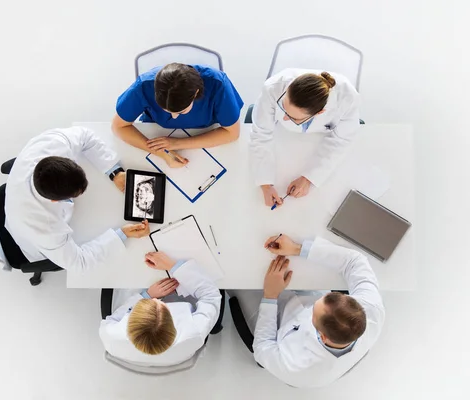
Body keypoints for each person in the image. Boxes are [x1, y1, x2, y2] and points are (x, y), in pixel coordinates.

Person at [231, 234, 384, 388]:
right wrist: (298, 248)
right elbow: (355, 261)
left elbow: (262, 348)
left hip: (276, 325)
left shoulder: (298, 368)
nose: (316, 303)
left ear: (322, 336)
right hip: (303, 298)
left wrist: (270, 296)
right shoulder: (370, 308)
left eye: (313, 312)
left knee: (235, 275)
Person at [4, 127, 150, 272]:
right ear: (55, 201)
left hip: (15, 191)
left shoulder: (53, 144)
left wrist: (114, 172)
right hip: (26, 236)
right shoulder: (46, 228)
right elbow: (79, 263)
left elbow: (85, 136)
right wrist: (122, 235)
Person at [249, 69, 361, 208]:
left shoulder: (347, 98)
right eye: (283, 107)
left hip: (316, 141)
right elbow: (260, 135)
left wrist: (309, 178)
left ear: (320, 112)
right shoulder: (273, 88)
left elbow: (342, 140)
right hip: (283, 138)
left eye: (293, 118)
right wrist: (265, 184)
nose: (284, 117)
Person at [99, 252, 222, 368]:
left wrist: (146, 295)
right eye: (159, 303)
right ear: (172, 321)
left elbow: (113, 318)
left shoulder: (110, 335)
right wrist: (173, 266)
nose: (156, 300)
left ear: (130, 318)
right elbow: (211, 296)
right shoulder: (194, 333)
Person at [112, 63, 244, 168]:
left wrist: (176, 143)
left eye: (180, 112)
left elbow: (232, 133)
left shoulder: (218, 84)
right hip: (155, 132)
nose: (174, 117)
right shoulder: (143, 86)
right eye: (167, 111)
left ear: (196, 93)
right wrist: (161, 152)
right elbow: (118, 126)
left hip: (207, 134)